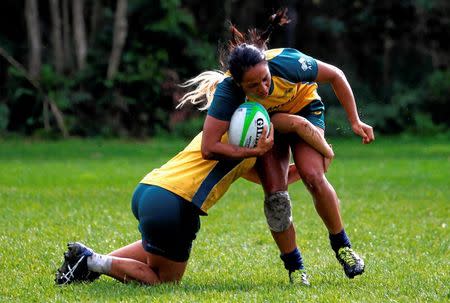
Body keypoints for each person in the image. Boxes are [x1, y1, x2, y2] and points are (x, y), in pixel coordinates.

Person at [178, 8, 374, 281]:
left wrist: (355, 121)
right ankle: (296, 269)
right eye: (253, 85)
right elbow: (208, 146)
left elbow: (336, 76)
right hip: (269, 127)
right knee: (275, 197)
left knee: (314, 176)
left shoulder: (288, 62)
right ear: (238, 83)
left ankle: (343, 248)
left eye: (265, 78)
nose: (263, 88)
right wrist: (252, 152)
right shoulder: (228, 90)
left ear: (269, 67)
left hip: (305, 110)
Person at [55, 112, 334, 286]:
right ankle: (93, 262)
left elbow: (272, 180)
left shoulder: (222, 136)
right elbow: (296, 123)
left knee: (157, 249)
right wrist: (324, 152)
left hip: (149, 189)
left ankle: (85, 267)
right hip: (175, 203)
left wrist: (312, 172)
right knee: (165, 280)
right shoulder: (249, 145)